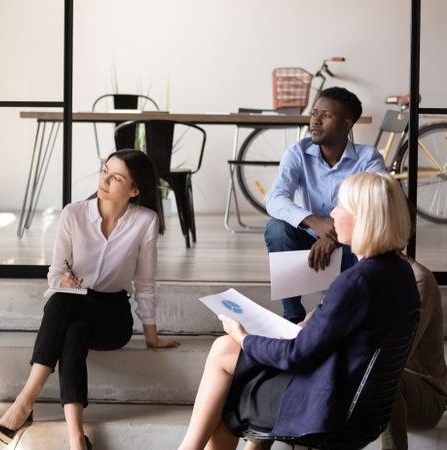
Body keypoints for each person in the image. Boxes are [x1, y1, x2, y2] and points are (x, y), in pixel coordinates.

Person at [177, 172, 420, 450]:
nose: (332, 212)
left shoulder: (357, 282)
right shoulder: (401, 273)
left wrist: (243, 336)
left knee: (227, 370)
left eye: (341, 206)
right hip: (361, 405)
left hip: (326, 405)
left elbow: (297, 356)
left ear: (364, 218)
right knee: (226, 365)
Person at [0, 150, 181, 450]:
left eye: (116, 177)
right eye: (105, 170)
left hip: (113, 316)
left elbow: (144, 282)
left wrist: (152, 336)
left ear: (134, 189)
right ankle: (77, 438)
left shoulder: (145, 221)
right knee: (72, 327)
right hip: (75, 302)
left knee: (61, 304)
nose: (105, 179)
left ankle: (24, 404)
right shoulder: (73, 214)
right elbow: (55, 274)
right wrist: (63, 280)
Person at [264, 87, 385, 323]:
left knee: (365, 237)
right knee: (276, 228)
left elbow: (375, 207)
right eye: (313, 113)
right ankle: (292, 316)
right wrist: (313, 221)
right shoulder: (298, 152)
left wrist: (334, 235)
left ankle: (342, 314)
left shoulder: (368, 158)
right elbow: (275, 198)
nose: (315, 121)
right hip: (309, 237)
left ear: (347, 124)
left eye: (326, 115)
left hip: (350, 242)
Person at [379, 258, 447, 448]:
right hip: (372, 377)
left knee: (385, 378)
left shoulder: (417, 279)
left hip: (427, 393)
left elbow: (397, 355)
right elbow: (321, 315)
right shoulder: (359, 273)